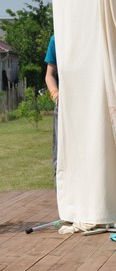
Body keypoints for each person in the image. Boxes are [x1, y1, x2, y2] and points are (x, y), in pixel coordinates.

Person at [44, 34, 59, 178]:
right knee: (60, 159)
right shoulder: (57, 38)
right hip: (63, 106)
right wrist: (55, 94)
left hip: (91, 106)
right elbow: (49, 74)